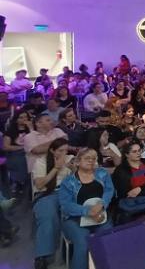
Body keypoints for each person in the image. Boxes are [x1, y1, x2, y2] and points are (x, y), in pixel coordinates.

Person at [58, 148, 114, 269]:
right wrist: (87, 211)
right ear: (77, 162)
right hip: (74, 219)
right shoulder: (68, 182)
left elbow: (109, 191)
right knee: (83, 243)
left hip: (100, 214)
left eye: (93, 158)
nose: (91, 161)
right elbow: (66, 205)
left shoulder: (103, 174)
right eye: (87, 158)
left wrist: (102, 204)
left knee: (107, 240)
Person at [31, 138, 73, 269]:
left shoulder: (70, 159)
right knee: (48, 217)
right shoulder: (41, 162)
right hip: (46, 193)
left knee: (74, 214)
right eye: (60, 150)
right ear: (52, 150)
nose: (63, 153)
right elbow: (39, 185)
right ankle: (42, 256)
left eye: (66, 150)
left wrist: (73, 169)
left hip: (66, 193)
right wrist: (56, 168)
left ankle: (74, 249)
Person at [112, 139, 145, 227]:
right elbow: (125, 192)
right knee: (125, 218)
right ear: (127, 155)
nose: (138, 153)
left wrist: (140, 189)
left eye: (139, 150)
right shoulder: (120, 170)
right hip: (132, 203)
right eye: (134, 151)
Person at [3, 109, 32, 195]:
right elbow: (5, 147)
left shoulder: (31, 130)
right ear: (16, 120)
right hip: (16, 153)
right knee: (21, 160)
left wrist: (31, 128)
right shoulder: (10, 132)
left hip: (31, 152)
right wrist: (22, 147)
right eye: (21, 117)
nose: (24, 119)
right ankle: (18, 182)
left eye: (26, 117)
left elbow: (36, 140)